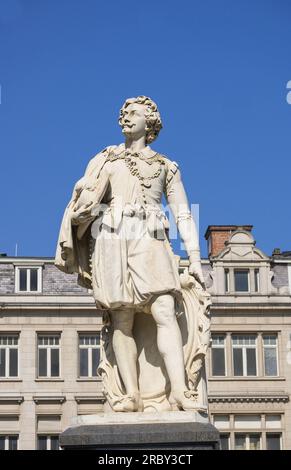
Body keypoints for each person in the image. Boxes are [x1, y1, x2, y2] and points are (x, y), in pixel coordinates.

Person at [55, 96, 205, 412]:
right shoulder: (108, 162)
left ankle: (178, 391)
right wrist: (81, 208)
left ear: (149, 122)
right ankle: (130, 394)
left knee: (164, 308)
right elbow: (89, 203)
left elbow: (183, 214)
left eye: (132, 113)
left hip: (150, 237)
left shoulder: (166, 166)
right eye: (123, 113)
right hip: (112, 238)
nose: (125, 117)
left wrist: (194, 257)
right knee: (121, 318)